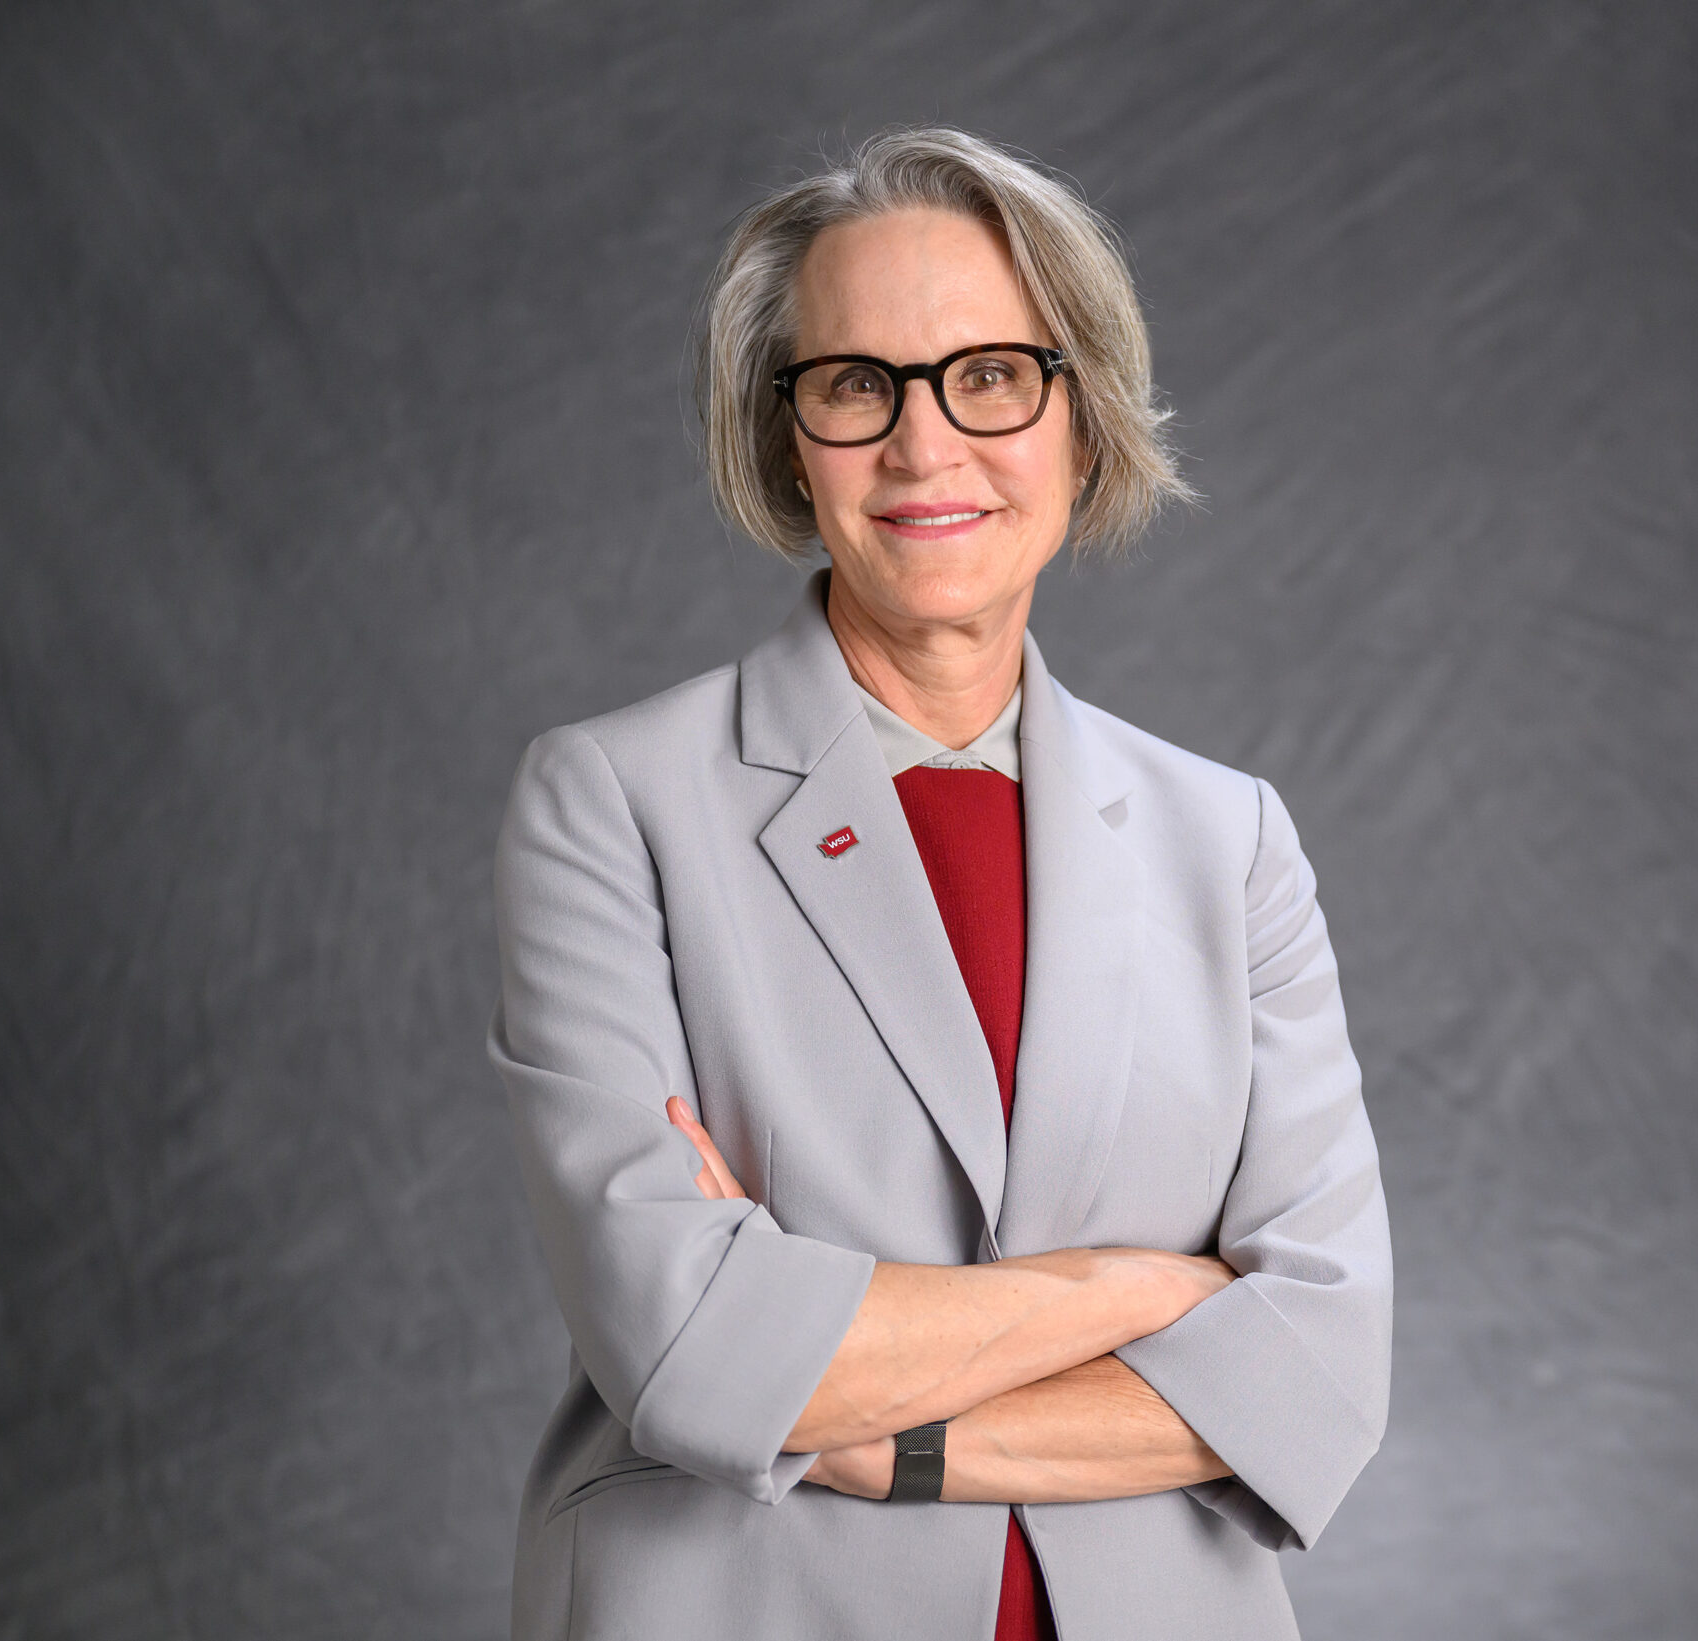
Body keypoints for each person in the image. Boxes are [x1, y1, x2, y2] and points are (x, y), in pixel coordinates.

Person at [488, 126, 1391, 1641]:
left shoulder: (1227, 837)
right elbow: (688, 1346)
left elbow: (1320, 1370)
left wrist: (859, 1422)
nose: (924, 445)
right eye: (856, 385)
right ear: (787, 437)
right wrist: (1146, 1290)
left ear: (1083, 423)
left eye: (992, 374)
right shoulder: (611, 803)